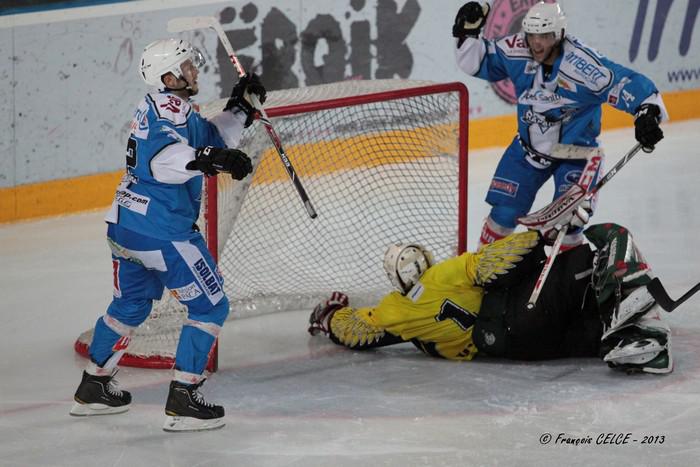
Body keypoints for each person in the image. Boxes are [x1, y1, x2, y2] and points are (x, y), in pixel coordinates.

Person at [70, 38, 267, 432]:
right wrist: (212, 160)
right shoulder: (166, 112)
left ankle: (93, 386)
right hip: (163, 231)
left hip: (127, 226)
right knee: (210, 307)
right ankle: (184, 399)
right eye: (187, 67)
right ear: (168, 76)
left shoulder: (167, 105)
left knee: (130, 307)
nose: (195, 71)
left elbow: (207, 140)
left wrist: (240, 110)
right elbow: (162, 162)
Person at [308, 221, 674, 375]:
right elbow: (499, 261)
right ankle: (622, 292)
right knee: (595, 252)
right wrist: (542, 234)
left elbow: (358, 331)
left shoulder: (398, 314)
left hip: (516, 348)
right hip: (524, 310)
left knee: (587, 335)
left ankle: (642, 348)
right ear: (424, 260)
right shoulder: (441, 275)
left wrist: (329, 317)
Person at [452, 1, 667, 249]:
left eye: (544, 36)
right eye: (531, 35)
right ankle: (483, 278)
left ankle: (568, 283)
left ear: (559, 34)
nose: (536, 43)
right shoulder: (517, 49)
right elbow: (478, 62)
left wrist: (646, 111)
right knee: (502, 216)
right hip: (526, 150)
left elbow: (622, 81)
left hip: (576, 154)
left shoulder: (582, 65)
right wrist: (466, 33)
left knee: (568, 226)